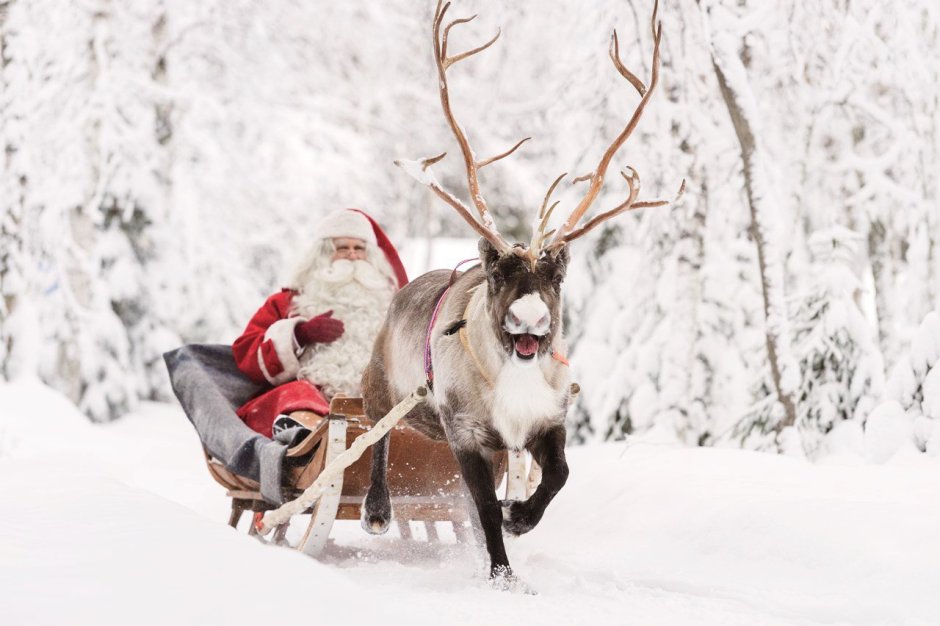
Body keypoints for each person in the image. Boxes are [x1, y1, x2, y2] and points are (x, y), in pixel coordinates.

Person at [232, 208, 407, 438]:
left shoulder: (392, 306)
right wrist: (300, 335)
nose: (353, 255)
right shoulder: (288, 302)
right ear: (323, 254)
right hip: (308, 399)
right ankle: (304, 435)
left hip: (378, 407)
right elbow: (246, 354)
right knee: (295, 395)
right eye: (343, 248)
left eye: (359, 248)